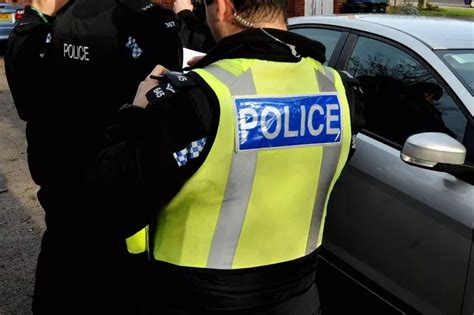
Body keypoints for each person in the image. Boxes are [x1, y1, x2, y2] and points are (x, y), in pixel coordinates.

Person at [99, 0, 358, 313]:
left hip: (198, 298)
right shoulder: (339, 89)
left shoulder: (195, 99)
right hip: (298, 295)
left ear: (222, 7)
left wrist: (136, 113)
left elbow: (112, 190)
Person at [30, 0, 182, 313]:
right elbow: (171, 92)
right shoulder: (146, 21)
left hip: (63, 190)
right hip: (115, 193)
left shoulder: (60, 20)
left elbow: (36, 101)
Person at [5, 1, 72, 313]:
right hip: (55, 159)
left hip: (56, 156)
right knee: (62, 242)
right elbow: (28, 102)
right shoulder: (32, 33)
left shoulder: (45, 28)